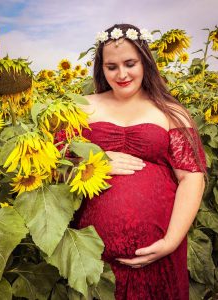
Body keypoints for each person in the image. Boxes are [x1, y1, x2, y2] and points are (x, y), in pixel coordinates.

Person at [75, 23, 207, 300]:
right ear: (102, 68)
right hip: (93, 256)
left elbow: (191, 177)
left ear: (145, 61)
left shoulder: (171, 111)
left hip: (160, 253)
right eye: (112, 67)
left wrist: (170, 242)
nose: (122, 74)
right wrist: (91, 164)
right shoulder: (81, 107)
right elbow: (51, 165)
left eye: (130, 63)